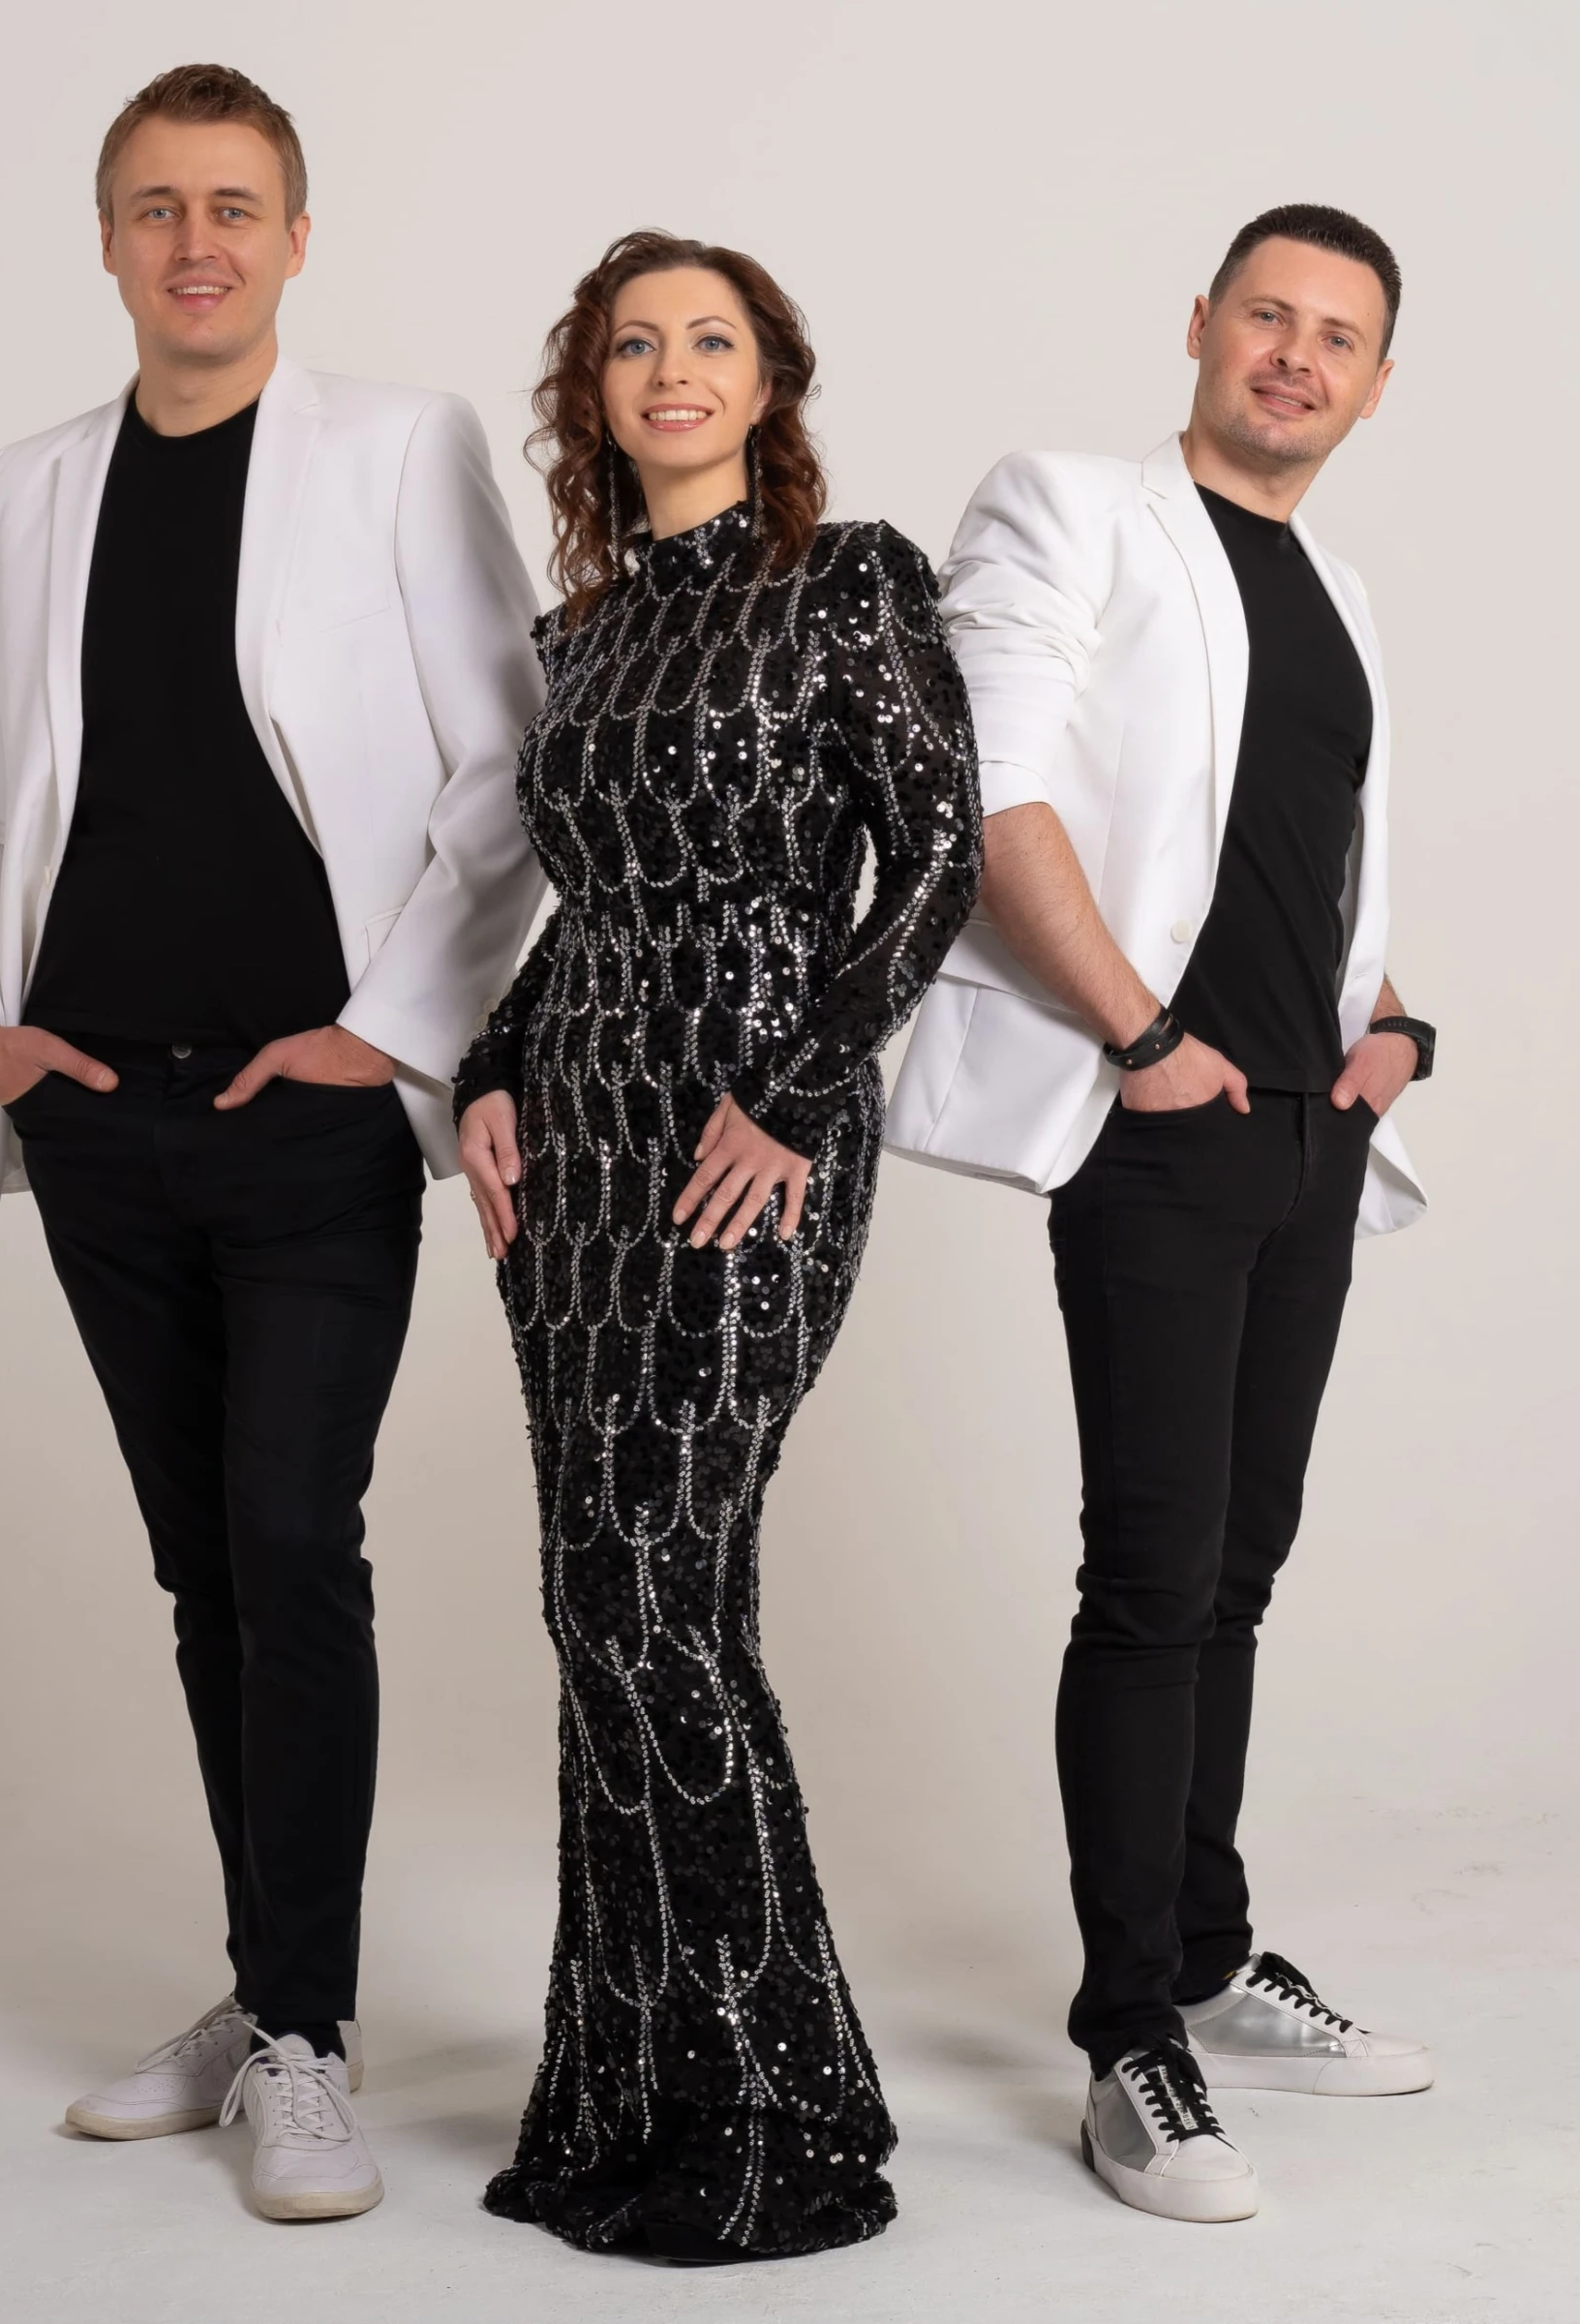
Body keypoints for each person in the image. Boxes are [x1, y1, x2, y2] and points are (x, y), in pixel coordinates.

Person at [0, 63, 543, 2221]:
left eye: (234, 205)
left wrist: (382, 1037)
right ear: (109, 240)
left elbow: (509, 770)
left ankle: (305, 2036)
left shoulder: (398, 448)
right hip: (97, 1112)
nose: (196, 242)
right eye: (156, 206)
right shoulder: (32, 485)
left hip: (308, 1115)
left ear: (295, 237)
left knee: (291, 1542)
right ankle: (270, 1985)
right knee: (205, 1565)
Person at [887, 204, 1438, 2223]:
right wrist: (1140, 1033)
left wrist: (1390, 1024)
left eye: (1339, 337)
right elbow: (993, 796)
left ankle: (1206, 1950)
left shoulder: (1338, 590)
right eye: (1268, 316)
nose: (1297, 356)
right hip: (1158, 1121)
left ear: (1377, 385)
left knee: (1239, 1572)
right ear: (1201, 326)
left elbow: (1301, 859)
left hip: (1307, 1130)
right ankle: (1131, 2037)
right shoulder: (1069, 511)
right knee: (1151, 1576)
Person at [454, 231, 980, 2262]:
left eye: (710, 341)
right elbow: (586, 901)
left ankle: (781, 2106)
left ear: (770, 383)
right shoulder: (581, 635)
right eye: (633, 346)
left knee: (661, 1596)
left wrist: (801, 1090)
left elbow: (932, 855)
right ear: (593, 393)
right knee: (598, 1600)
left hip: (746, 1142)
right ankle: (629, 2087)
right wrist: (491, 1067)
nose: (671, 370)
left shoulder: (847, 582)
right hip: (577, 1147)